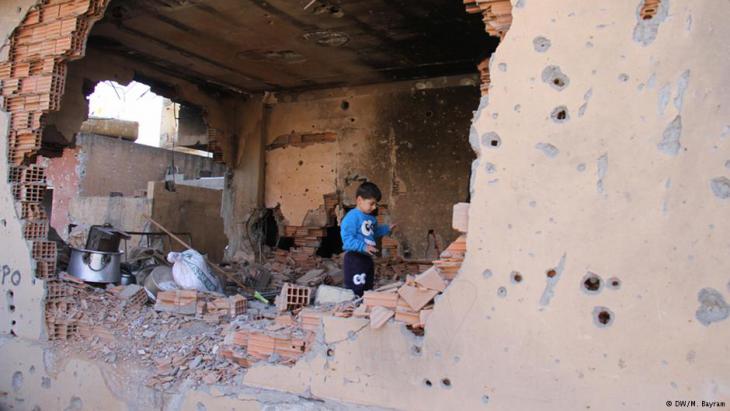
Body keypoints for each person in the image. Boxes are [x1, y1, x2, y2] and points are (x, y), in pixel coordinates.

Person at [340, 182, 396, 296]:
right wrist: (363, 247)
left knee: (367, 287)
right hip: (354, 258)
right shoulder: (351, 217)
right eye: (372, 203)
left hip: (367, 258)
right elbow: (347, 240)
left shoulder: (371, 218)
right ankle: (353, 310)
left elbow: (373, 233)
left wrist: (387, 229)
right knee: (356, 290)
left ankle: (364, 309)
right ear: (359, 200)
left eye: (376, 204)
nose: (374, 207)